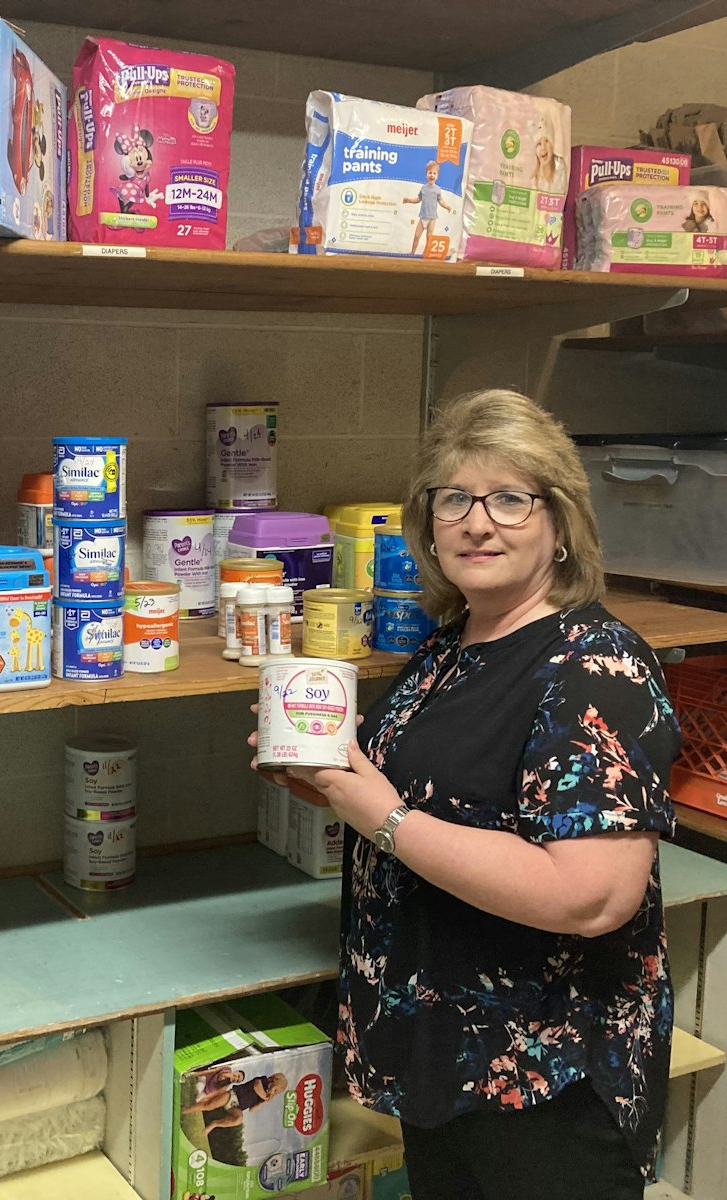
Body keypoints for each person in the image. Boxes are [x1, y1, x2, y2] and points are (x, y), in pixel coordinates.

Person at [253, 389, 679, 1199]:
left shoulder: (596, 665)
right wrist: (325, 781)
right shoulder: (454, 646)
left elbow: (591, 896)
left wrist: (378, 810)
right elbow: (421, 806)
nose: (477, 522)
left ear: (561, 525)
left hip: (543, 1077)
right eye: (455, 499)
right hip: (438, 1052)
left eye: (510, 498)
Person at [402, 160, 453, 255]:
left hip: (432, 218)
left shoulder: (437, 189)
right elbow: (418, 199)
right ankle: (412, 252)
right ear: (426, 174)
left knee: (429, 237)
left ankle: (426, 253)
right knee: (417, 236)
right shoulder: (423, 188)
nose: (432, 175)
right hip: (423, 217)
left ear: (437, 176)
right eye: (430, 173)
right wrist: (409, 200)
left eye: (434, 173)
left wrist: (447, 206)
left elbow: (441, 201)